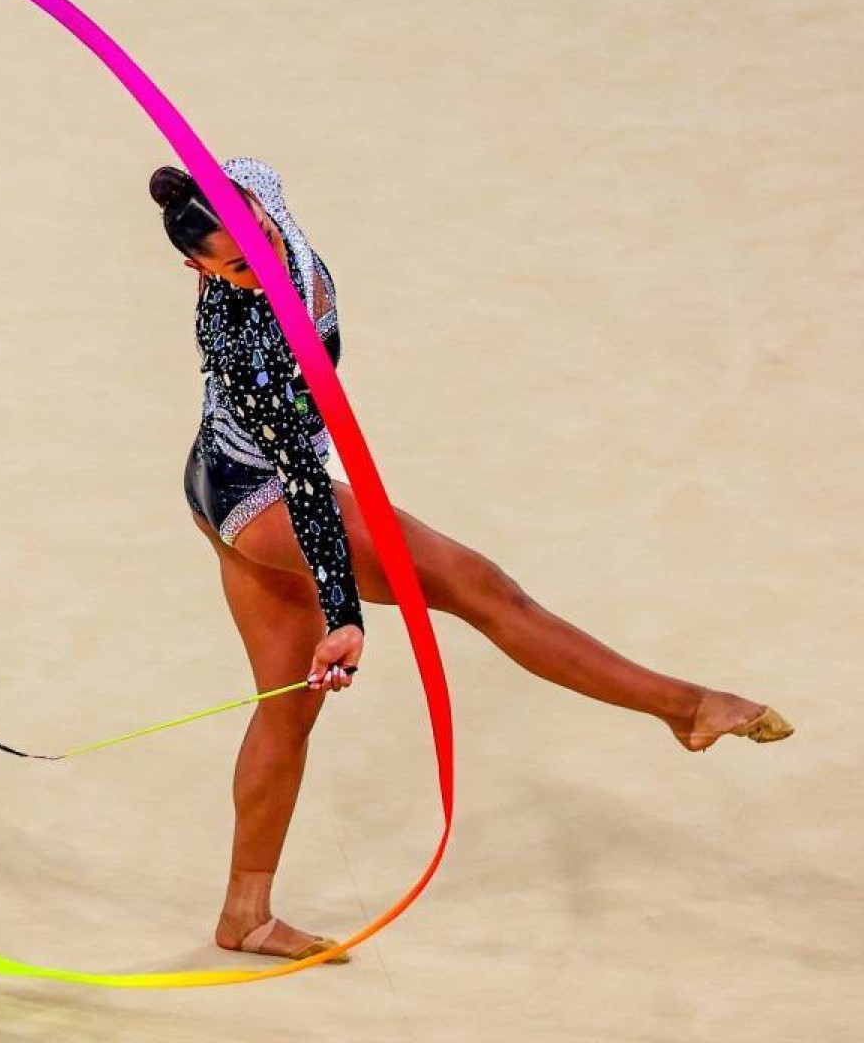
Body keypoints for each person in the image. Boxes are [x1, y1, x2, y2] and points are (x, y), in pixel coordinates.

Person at [156, 155, 793, 965]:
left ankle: (243, 916)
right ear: (197, 270)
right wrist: (344, 617)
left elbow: (225, 162)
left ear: (260, 202)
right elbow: (310, 489)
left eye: (264, 239)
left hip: (214, 474)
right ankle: (684, 706)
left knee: (287, 709)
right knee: (482, 589)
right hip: (262, 495)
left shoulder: (254, 186)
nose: (268, 266)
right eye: (239, 267)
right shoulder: (249, 344)